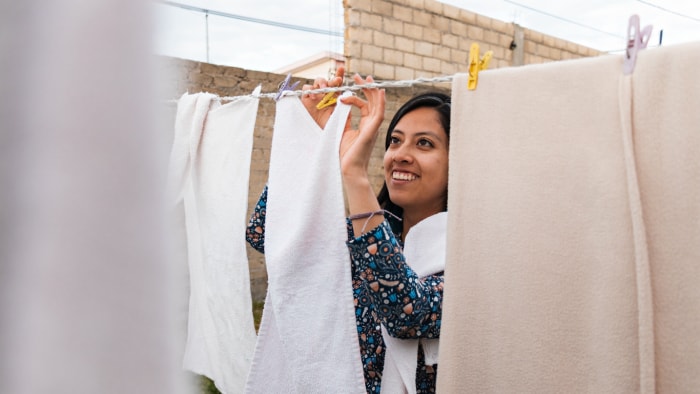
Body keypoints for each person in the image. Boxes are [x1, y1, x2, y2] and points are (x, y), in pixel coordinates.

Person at [246, 66, 450, 394]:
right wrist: (312, 140)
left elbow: (404, 312)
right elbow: (264, 235)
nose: (401, 156)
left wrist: (355, 176)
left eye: (424, 144)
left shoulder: (470, 256)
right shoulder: (372, 237)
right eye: (395, 141)